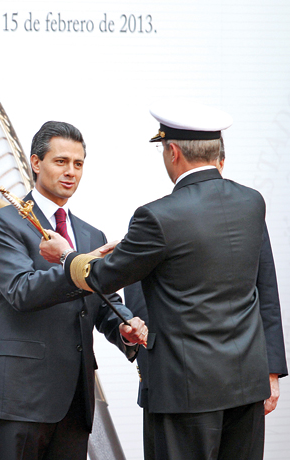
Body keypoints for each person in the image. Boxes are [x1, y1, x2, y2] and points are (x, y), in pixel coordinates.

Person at [41, 102, 280, 460]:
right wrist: (271, 372)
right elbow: (266, 288)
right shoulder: (251, 202)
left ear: (173, 151)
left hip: (183, 392)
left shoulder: (157, 216)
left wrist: (66, 255)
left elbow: (104, 277)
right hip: (247, 387)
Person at [0, 121, 147, 460]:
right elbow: (21, 291)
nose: (71, 172)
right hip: (20, 396)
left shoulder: (91, 235)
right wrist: (77, 265)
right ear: (36, 163)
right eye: (60, 161)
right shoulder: (3, 223)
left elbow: (104, 304)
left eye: (78, 164)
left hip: (75, 400)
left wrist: (123, 326)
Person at [123, 137, 287, 460]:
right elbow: (140, 292)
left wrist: (270, 371)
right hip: (180, 382)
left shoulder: (248, 208)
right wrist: (150, 365)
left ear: (173, 152)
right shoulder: (164, 217)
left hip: (235, 388)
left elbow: (264, 288)